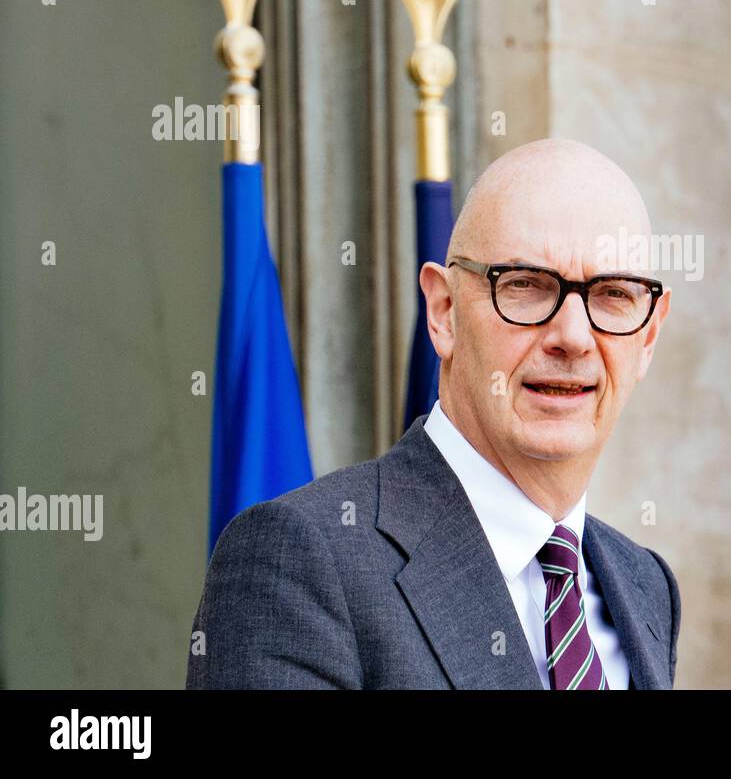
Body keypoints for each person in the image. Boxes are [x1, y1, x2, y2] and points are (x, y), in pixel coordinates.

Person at [186, 138, 679, 689]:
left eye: (613, 295)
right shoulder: (299, 560)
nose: (572, 337)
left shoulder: (644, 587)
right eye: (525, 286)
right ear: (443, 312)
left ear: (650, 333)